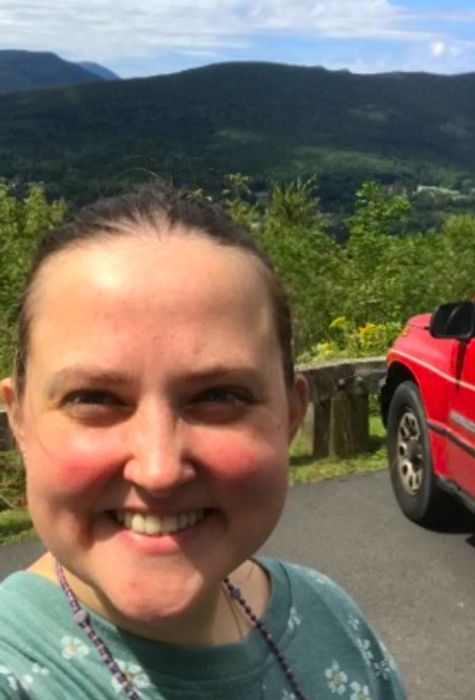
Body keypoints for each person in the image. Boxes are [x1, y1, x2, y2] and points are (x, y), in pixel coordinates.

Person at [0, 183, 407, 699]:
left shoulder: (332, 619)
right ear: (20, 421)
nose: (159, 469)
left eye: (218, 395)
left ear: (290, 414)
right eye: (95, 399)